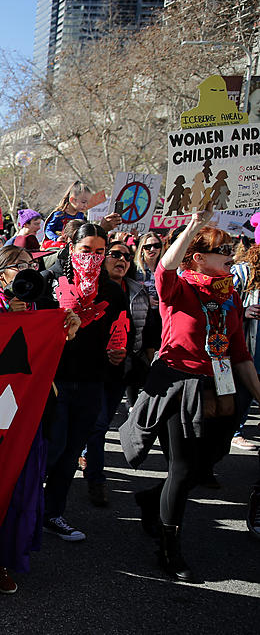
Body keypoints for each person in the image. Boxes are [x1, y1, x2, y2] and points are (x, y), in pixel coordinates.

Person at [121, 202, 260, 580]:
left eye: (232, 250)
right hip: (180, 386)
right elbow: (164, 267)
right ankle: (168, 548)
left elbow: (241, 353)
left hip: (222, 387)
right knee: (182, 469)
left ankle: (152, 502)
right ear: (198, 258)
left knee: (206, 463)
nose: (232, 257)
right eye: (223, 252)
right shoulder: (178, 289)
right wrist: (193, 224)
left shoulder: (228, 297)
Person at [0, 246, 80, 594]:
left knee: (19, 489)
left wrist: (71, 326)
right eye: (13, 266)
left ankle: (4, 559)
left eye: (28, 265)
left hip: (29, 417)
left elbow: (62, 358)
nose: (22, 270)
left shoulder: (48, 312)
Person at [40, 223, 128, 542]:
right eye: (85, 250)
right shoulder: (50, 281)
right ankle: (26, 510)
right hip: (55, 381)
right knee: (53, 448)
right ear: (71, 249)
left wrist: (117, 352)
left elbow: (118, 333)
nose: (92, 257)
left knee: (71, 453)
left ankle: (53, 514)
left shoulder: (113, 292)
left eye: (99, 251)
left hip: (92, 382)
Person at [82, 241, 159, 507]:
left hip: (122, 367)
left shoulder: (137, 290)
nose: (121, 260)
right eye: (114, 254)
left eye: (126, 256)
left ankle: (87, 455)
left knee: (98, 423)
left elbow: (147, 329)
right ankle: (96, 479)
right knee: (100, 424)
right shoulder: (91, 288)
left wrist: (144, 360)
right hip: (92, 367)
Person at [231, 241, 260, 452]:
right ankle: (235, 432)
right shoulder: (242, 272)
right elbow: (221, 302)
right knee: (242, 392)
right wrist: (244, 310)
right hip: (247, 343)